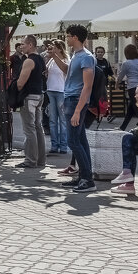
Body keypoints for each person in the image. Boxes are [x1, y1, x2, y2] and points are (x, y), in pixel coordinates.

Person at [61, 25, 97, 193]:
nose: (66, 39)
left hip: (77, 101)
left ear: (75, 37)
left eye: (68, 36)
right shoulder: (77, 55)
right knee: (80, 140)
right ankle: (84, 176)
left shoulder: (86, 57)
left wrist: (77, 110)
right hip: (71, 99)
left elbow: (87, 86)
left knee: (73, 141)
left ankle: (87, 179)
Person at [15, 34, 47, 169]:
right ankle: (40, 160)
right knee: (38, 128)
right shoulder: (40, 59)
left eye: (23, 44)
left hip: (29, 97)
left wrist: (14, 89)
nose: (21, 46)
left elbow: (21, 83)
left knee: (29, 129)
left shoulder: (29, 61)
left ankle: (30, 160)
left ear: (30, 45)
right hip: (39, 95)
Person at [44, 39, 70, 155]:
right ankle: (54, 145)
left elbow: (66, 72)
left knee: (63, 120)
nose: (51, 49)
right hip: (50, 90)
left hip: (61, 90)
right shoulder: (51, 60)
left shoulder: (65, 60)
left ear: (59, 48)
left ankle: (63, 146)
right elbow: (46, 71)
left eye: (54, 47)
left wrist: (53, 56)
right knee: (53, 120)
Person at [117, 44, 138, 130]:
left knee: (136, 107)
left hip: (132, 87)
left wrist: (117, 84)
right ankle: (123, 126)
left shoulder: (126, 63)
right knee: (132, 107)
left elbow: (121, 75)